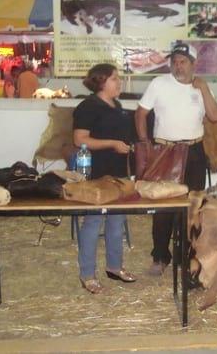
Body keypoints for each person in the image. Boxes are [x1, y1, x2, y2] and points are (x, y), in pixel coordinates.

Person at [135, 42, 217, 276]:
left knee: (194, 206)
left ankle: (188, 256)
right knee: (164, 207)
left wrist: (203, 89)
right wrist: (145, 143)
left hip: (194, 151)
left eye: (183, 61)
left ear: (194, 64)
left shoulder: (201, 86)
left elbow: (215, 116)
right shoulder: (159, 84)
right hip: (166, 151)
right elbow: (141, 113)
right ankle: (160, 256)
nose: (177, 66)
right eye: (174, 61)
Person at [73, 63, 137, 293]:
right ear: (101, 82)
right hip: (96, 173)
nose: (119, 82)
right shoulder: (88, 107)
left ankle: (114, 266)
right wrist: (112, 144)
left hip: (118, 173)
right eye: (114, 78)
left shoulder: (116, 105)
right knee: (92, 223)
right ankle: (87, 274)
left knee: (117, 221)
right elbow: (80, 140)